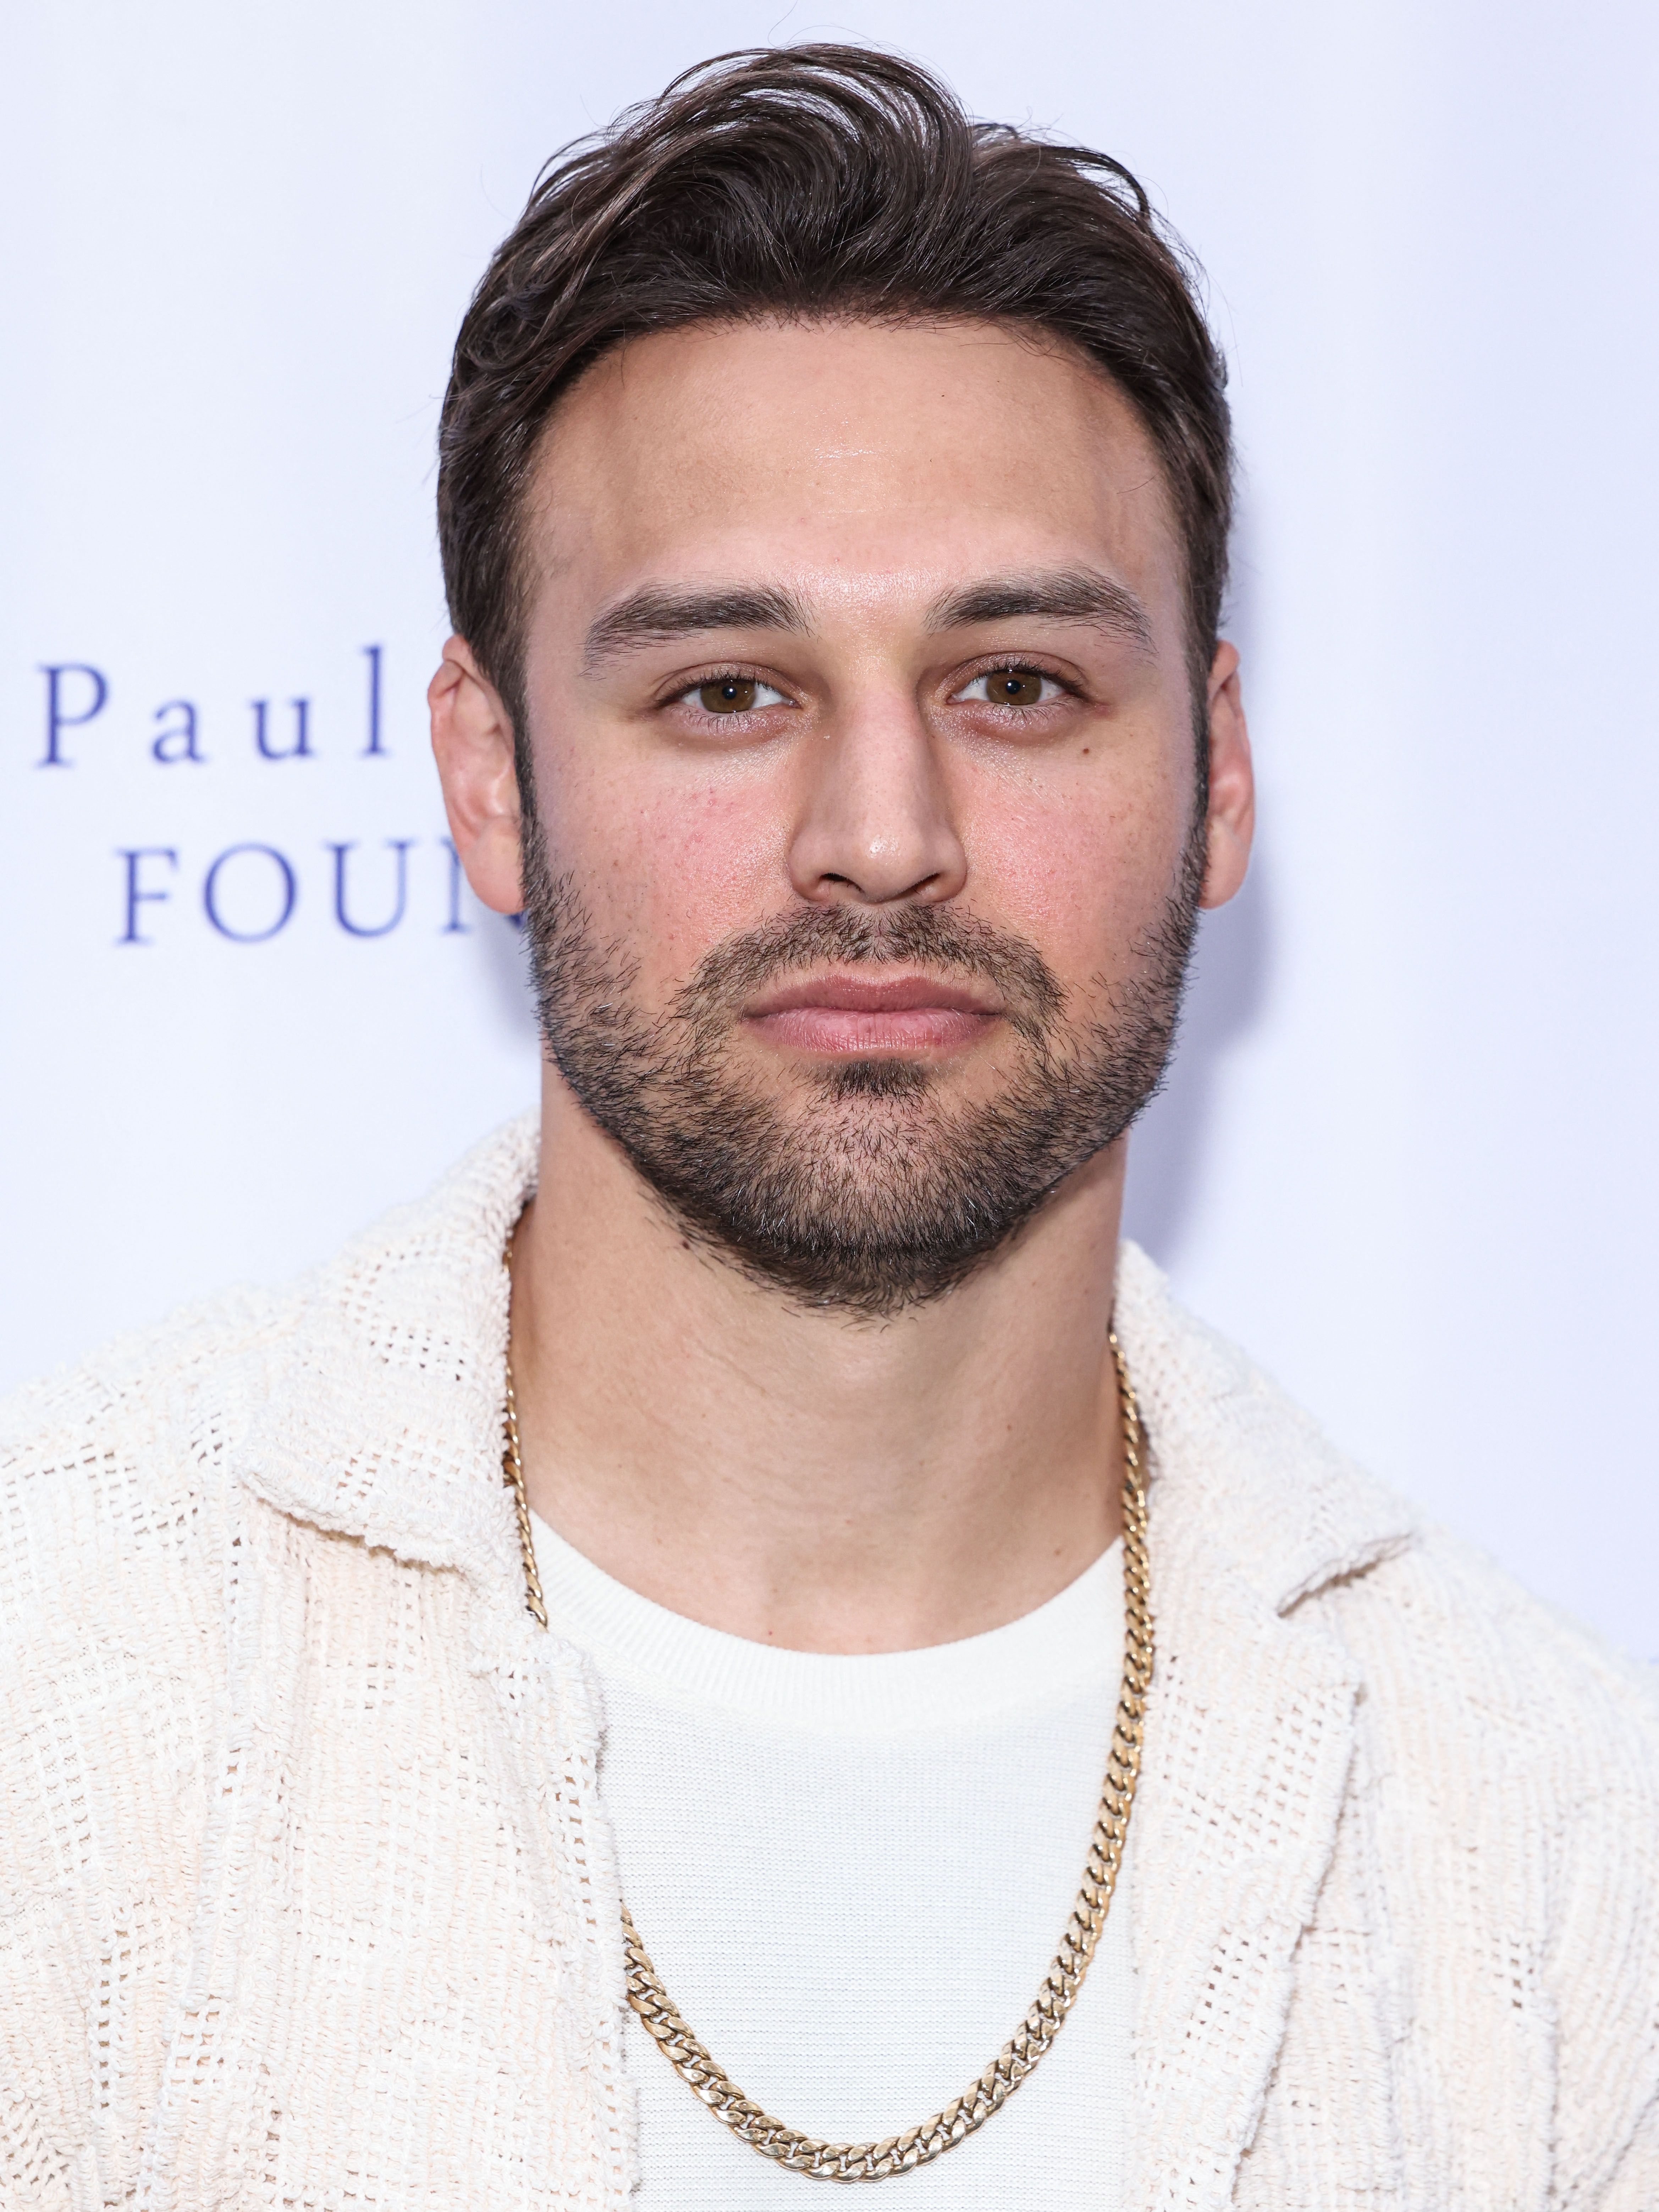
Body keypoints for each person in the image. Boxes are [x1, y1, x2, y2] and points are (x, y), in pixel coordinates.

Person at [2, 44, 1654, 2211]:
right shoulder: (58, 1688)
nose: (879, 841)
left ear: (1219, 774)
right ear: (487, 776)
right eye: (725, 692)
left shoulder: (1556, 1859)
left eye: (1015, 686)